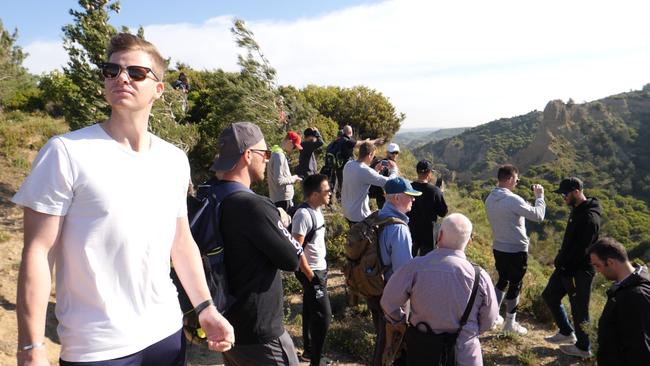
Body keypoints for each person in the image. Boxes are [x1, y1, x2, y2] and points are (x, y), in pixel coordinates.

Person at [12, 33, 234, 366]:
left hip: (166, 334)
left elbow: (181, 241)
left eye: (136, 73)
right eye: (111, 70)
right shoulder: (66, 153)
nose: (121, 78)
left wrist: (205, 308)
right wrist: (31, 348)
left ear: (158, 89)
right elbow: (38, 252)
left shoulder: (173, 159)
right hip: (97, 347)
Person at [210, 122, 304, 366]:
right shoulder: (254, 206)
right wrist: (280, 221)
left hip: (227, 328)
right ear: (248, 155)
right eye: (265, 154)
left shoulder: (208, 197)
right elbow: (292, 259)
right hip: (261, 333)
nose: (266, 160)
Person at [381, 213, 499, 366]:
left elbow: (388, 302)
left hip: (422, 350)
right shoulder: (480, 276)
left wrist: (400, 321)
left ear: (439, 235)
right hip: (463, 355)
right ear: (469, 241)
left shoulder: (416, 266)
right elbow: (489, 320)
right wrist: (468, 332)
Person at [542, 177, 601, 359]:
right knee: (550, 295)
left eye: (565, 194)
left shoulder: (589, 217)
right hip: (565, 268)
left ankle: (584, 348)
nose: (563, 198)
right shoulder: (577, 209)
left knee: (579, 309)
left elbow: (582, 251)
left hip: (578, 271)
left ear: (576, 191)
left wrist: (564, 267)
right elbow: (571, 244)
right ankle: (566, 331)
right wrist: (560, 261)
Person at [366, 177, 420, 366]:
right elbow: (404, 272)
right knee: (391, 344)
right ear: (397, 198)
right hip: (391, 292)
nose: (413, 200)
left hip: (372, 286)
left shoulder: (377, 217)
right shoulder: (398, 228)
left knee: (382, 335)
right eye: (410, 196)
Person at [484, 164, 545, 334]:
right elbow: (538, 215)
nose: (517, 182)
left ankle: (493, 316)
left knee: (502, 280)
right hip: (516, 249)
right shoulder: (513, 199)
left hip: (499, 246)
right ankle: (510, 324)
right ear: (510, 179)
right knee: (515, 284)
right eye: (517, 179)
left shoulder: (490, 198)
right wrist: (539, 197)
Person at [588, 237, 650, 365]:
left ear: (610, 262)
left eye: (597, 265)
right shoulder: (626, 285)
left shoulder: (635, 296)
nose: (597, 271)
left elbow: (641, 350)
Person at [292, 174, 332, 366]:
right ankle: (316, 360)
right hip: (312, 272)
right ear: (315, 194)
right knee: (324, 315)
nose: (330, 193)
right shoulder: (303, 215)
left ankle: (309, 352)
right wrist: (310, 276)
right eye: (326, 190)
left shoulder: (316, 210)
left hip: (317, 270)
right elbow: (296, 249)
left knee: (310, 309)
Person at [341, 142, 398, 225]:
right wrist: (394, 169)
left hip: (347, 211)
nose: (372, 159)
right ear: (370, 154)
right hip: (359, 216)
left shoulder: (348, 164)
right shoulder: (365, 170)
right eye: (373, 156)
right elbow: (389, 182)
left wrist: (376, 171)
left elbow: (361, 181)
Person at [407, 159, 448, 257]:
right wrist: (440, 193)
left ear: (417, 171)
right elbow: (443, 212)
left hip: (411, 230)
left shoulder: (409, 187)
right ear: (429, 173)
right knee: (426, 260)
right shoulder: (435, 191)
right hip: (429, 233)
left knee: (409, 257)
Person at [332, 125, 383, 199]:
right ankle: (343, 198)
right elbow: (361, 144)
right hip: (346, 166)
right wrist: (374, 141)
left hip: (337, 165)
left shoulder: (337, 140)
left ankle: (339, 198)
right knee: (346, 184)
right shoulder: (347, 141)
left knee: (340, 183)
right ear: (350, 132)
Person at [268, 131, 303, 210]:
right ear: (290, 142)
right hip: (282, 200)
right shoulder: (279, 156)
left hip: (279, 198)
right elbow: (279, 181)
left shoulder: (276, 152)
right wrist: (293, 178)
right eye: (294, 147)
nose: (294, 149)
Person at [368, 142, 401, 209]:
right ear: (387, 153)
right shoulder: (388, 164)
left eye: (396, 153)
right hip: (373, 190)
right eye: (392, 152)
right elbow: (381, 181)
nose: (394, 155)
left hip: (368, 188)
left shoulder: (380, 159)